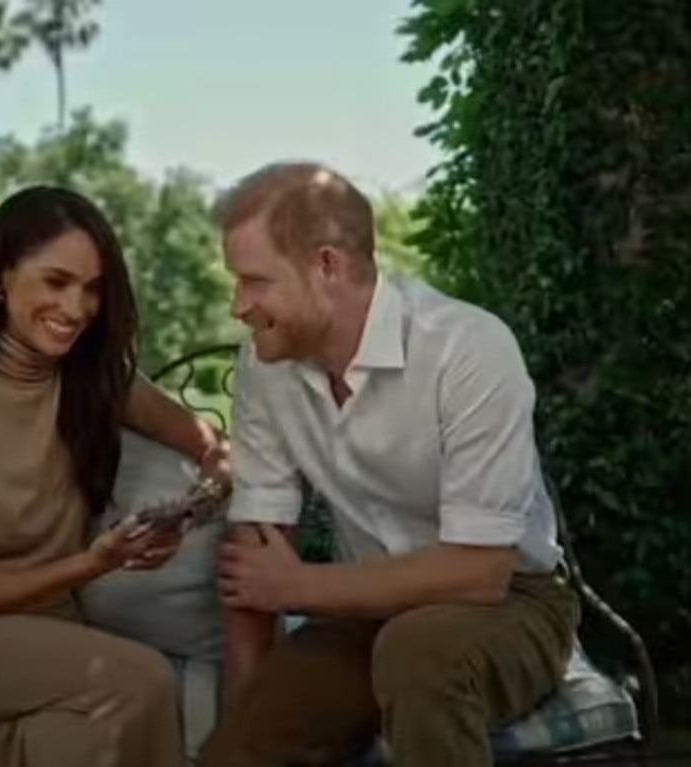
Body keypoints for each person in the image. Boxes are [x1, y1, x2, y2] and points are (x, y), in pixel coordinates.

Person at [197, 162, 580, 767]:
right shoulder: (265, 366)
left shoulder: (468, 348)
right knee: (249, 740)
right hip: (365, 611)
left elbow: (480, 572)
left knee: (418, 653)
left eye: (255, 281)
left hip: (512, 602)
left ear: (328, 266)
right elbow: (257, 560)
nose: (238, 305)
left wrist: (302, 587)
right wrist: (247, 715)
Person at [0, 184, 231, 767]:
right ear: (1, 278)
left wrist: (196, 508)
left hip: (45, 623)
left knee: (82, 734)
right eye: (56, 282)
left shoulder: (96, 380)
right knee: (141, 681)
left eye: (91, 289)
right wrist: (96, 562)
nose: (77, 309)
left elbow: (216, 448)